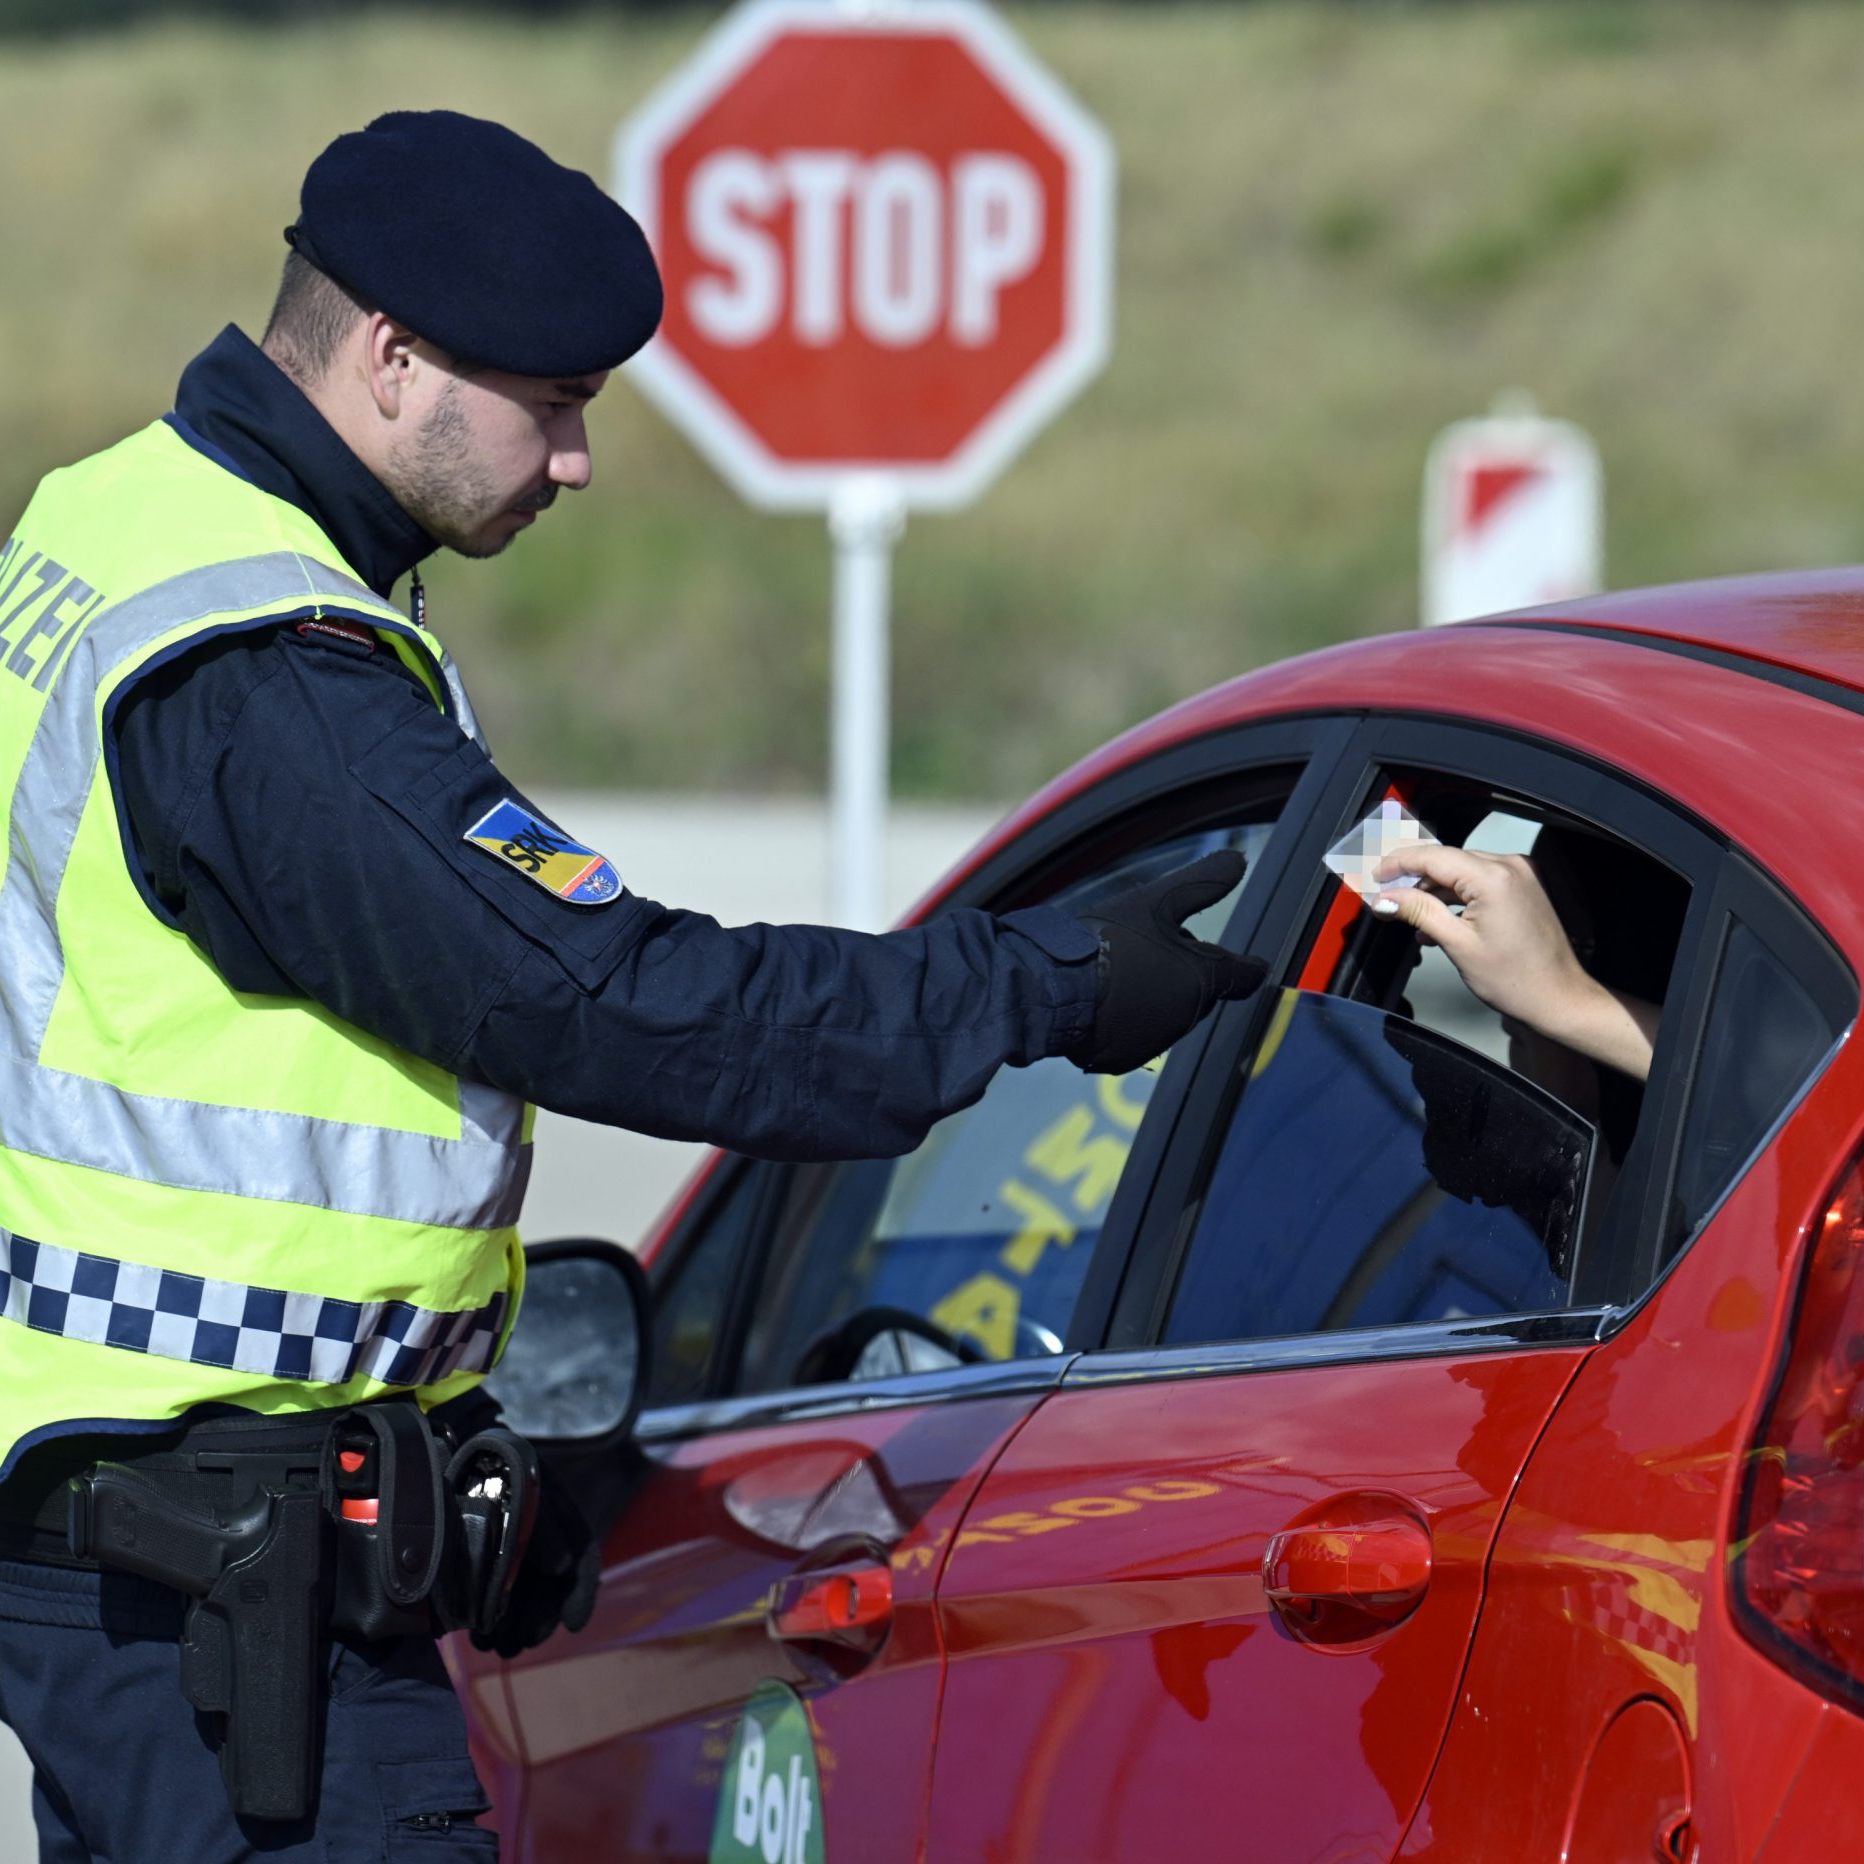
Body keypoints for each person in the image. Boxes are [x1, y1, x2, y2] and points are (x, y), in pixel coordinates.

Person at [0, 112, 1258, 1861]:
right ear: (393, 357)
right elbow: (614, 997)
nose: (578, 459)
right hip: (225, 1598)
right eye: (554, 400)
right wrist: (1038, 984)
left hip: (170, 1548)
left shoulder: (123, 517)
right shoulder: (270, 677)